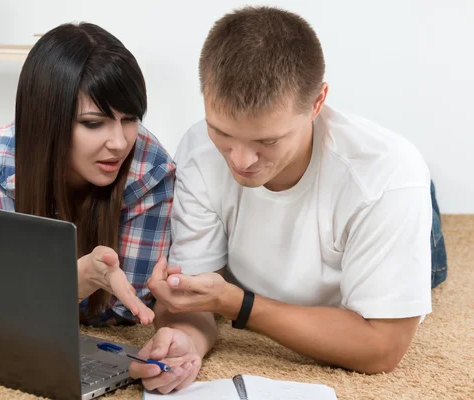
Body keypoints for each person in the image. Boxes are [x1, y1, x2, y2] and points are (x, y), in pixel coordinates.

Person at [130, 6, 448, 393]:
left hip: (382, 202)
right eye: (223, 133)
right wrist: (184, 341)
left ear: (318, 102)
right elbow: (193, 302)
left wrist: (238, 304)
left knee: (421, 263)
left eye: (267, 141)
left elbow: (382, 348)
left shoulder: (386, 177)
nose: (241, 161)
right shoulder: (199, 148)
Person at [0, 23, 175, 327]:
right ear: (47, 121)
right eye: (94, 123)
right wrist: (76, 281)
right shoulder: (2, 161)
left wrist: (51, 290)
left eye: (131, 119)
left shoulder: (150, 170)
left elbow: (126, 310)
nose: (120, 143)